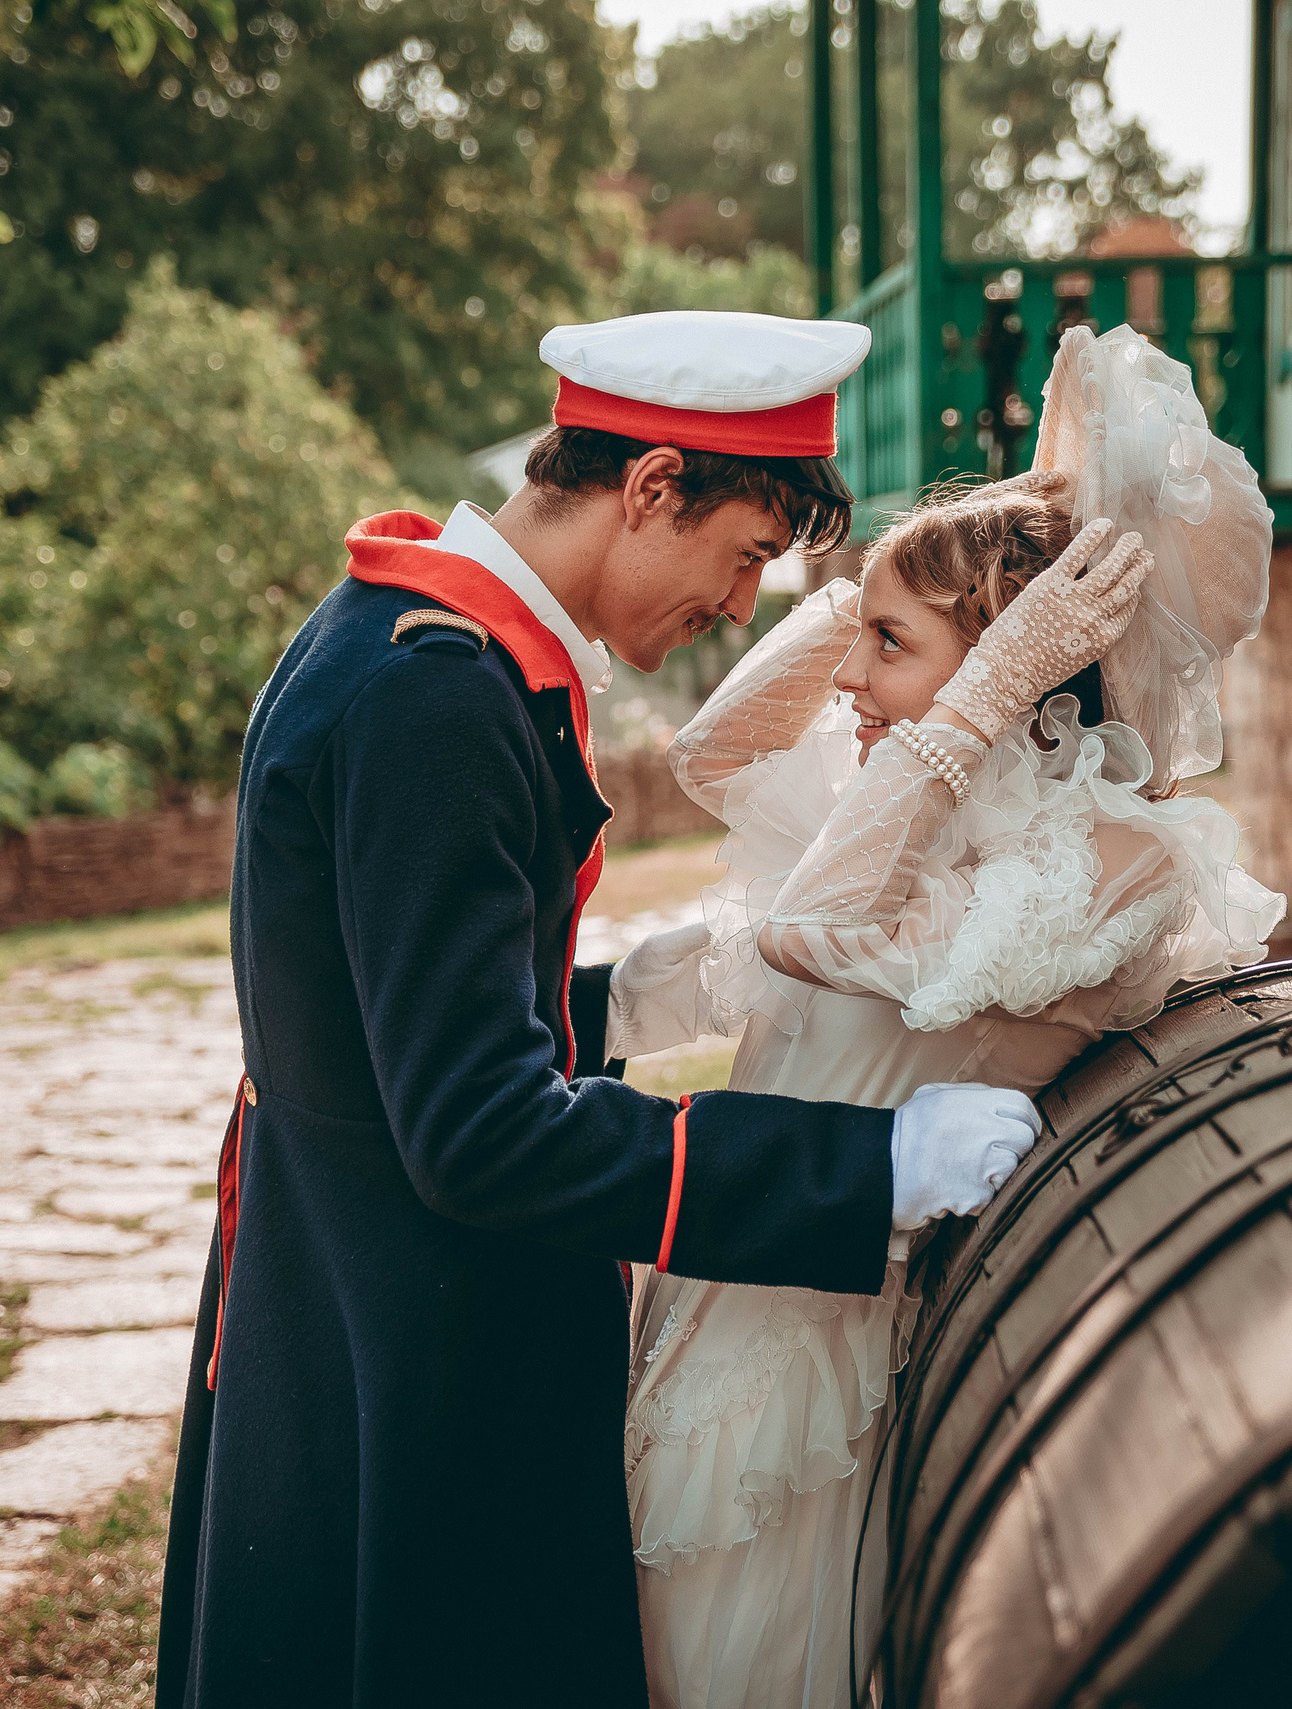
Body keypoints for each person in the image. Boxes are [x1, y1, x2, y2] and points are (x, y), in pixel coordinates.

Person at [156, 310, 1054, 1709]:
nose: (745, 600)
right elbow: (479, 1131)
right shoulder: (436, 696)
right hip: (416, 1341)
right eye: (748, 551)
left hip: (343, 1280)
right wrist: (864, 1166)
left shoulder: (390, 633)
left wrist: (625, 993)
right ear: (649, 489)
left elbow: (378, 1000)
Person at [612, 324, 1286, 1709]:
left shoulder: (1103, 856)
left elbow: (814, 930)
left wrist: (982, 681)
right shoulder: (901, 802)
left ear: (1017, 676)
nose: (852, 679)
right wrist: (886, 590)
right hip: (719, 1281)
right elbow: (713, 746)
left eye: (887, 646)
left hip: (813, 1362)